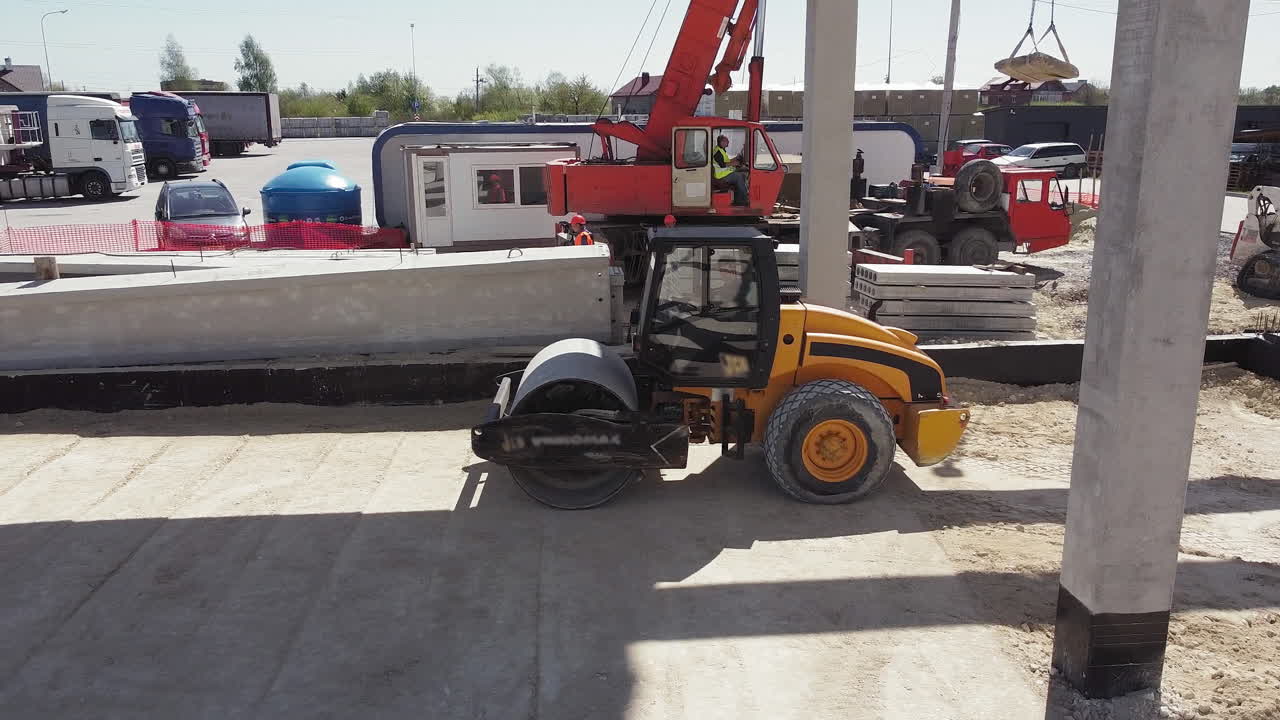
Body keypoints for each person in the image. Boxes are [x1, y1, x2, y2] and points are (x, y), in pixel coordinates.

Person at [712, 134, 749, 206]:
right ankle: (742, 201)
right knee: (739, 177)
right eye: (727, 141)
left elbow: (727, 161)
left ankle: (739, 197)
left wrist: (735, 158)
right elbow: (723, 165)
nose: (728, 142)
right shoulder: (717, 152)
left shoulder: (721, 149)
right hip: (720, 176)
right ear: (722, 142)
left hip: (724, 173)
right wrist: (734, 163)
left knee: (742, 174)